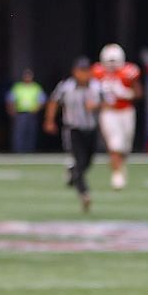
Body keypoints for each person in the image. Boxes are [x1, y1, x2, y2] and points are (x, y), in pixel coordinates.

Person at [46, 57, 102, 212]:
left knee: (88, 162)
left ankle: (73, 174)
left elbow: (108, 103)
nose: (84, 74)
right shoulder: (66, 87)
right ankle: (84, 193)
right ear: (75, 72)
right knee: (79, 161)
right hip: (73, 129)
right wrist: (49, 120)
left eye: (86, 70)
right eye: (81, 71)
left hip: (90, 129)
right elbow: (54, 101)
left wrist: (96, 106)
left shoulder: (97, 87)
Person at [92, 43, 143, 190]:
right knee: (115, 145)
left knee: (125, 147)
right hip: (108, 112)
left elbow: (139, 93)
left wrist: (127, 93)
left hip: (126, 112)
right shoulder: (97, 72)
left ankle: (121, 167)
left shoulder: (129, 72)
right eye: (109, 62)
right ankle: (116, 175)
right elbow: (92, 93)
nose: (112, 65)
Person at [7, 70, 46, 154]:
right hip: (20, 113)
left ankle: (29, 151)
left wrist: (36, 109)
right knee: (19, 133)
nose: (27, 78)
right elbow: (10, 99)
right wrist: (12, 110)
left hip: (32, 113)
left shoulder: (36, 87)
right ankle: (18, 151)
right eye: (26, 76)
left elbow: (42, 100)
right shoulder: (18, 87)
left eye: (29, 76)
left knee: (31, 133)